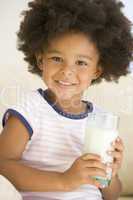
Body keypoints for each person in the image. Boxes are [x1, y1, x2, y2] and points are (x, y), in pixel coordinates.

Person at [0, 0, 132, 199]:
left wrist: (110, 173)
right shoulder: (29, 110)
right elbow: (3, 164)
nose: (67, 72)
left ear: (97, 70)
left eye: (81, 62)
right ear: (40, 60)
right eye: (56, 59)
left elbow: (111, 195)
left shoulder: (102, 121)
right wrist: (65, 180)